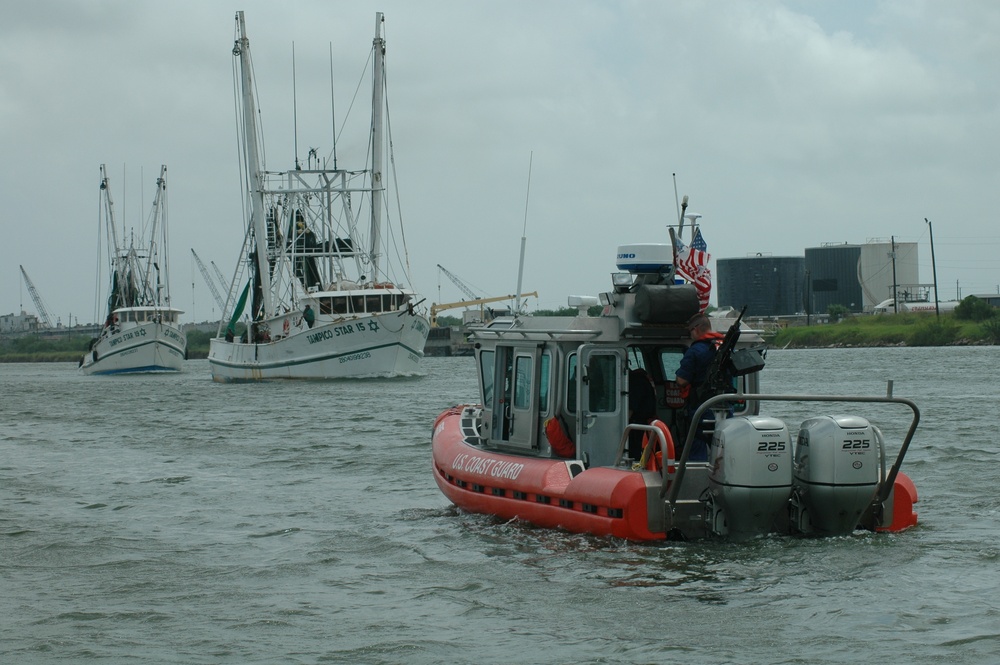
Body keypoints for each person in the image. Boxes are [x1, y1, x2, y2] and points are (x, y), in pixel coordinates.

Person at [675, 313, 726, 461]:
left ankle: (697, 480)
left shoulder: (695, 351)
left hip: (701, 407)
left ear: (696, 329)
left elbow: (681, 380)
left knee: (696, 443)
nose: (690, 335)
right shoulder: (724, 348)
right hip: (725, 405)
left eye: (690, 331)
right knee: (724, 447)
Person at [627, 368, 657, 459]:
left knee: (636, 452)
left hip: (639, 426)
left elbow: (630, 410)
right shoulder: (641, 379)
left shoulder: (636, 382)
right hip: (643, 422)